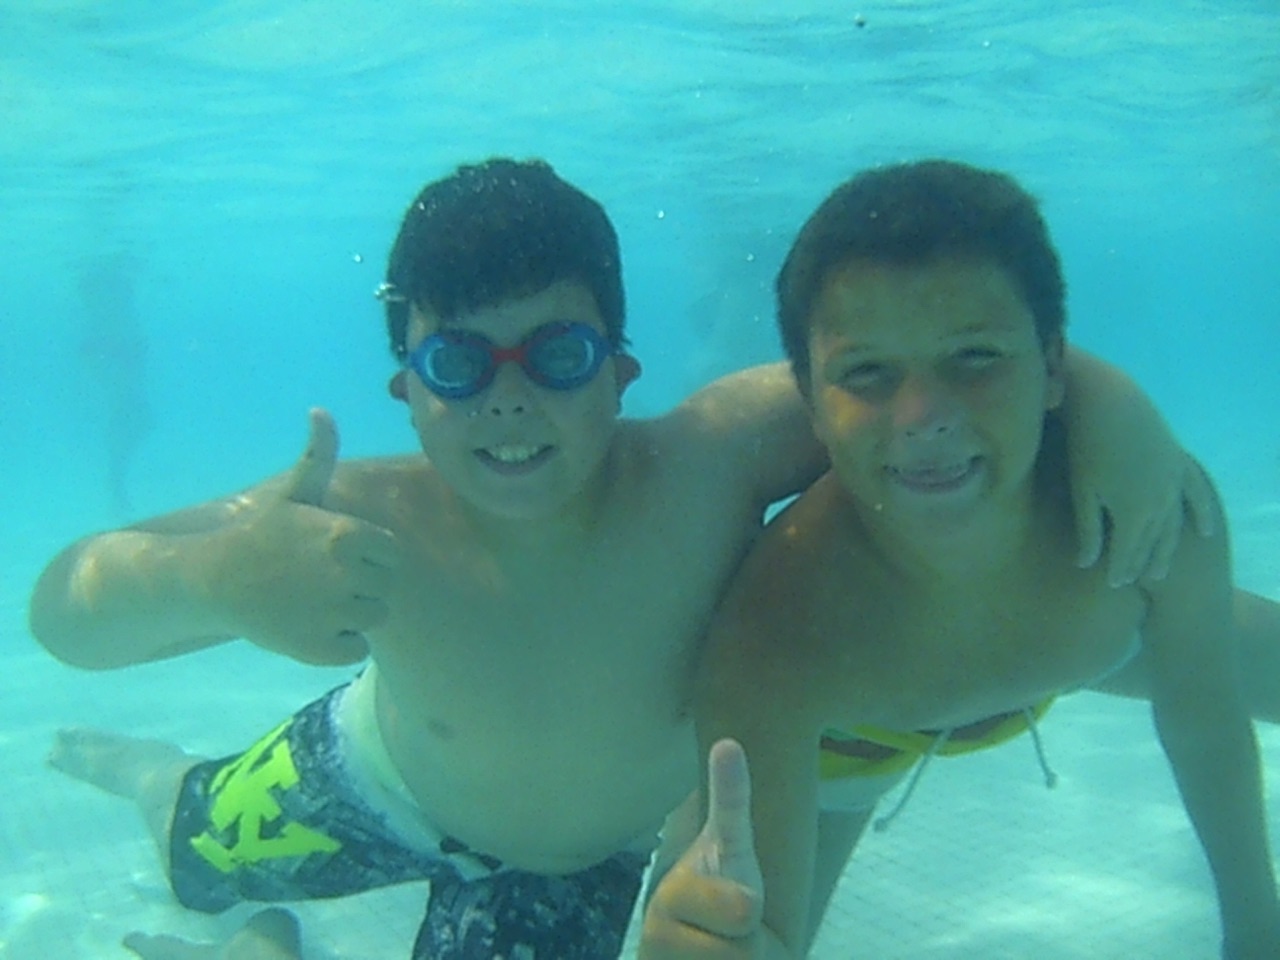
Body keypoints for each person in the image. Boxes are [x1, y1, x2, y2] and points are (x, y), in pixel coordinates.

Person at [29, 158, 1203, 960]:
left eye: (555, 355)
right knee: (191, 848)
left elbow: (909, 372)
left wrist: (1112, 405)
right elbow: (63, 604)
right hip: (372, 781)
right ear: (405, 387)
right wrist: (213, 580)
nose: (506, 402)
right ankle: (154, 779)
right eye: (457, 366)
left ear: (620, 368)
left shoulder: (711, 457)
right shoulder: (355, 510)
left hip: (580, 867)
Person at [641, 160, 1280, 960]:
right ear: (809, 405)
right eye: (867, 373)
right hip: (852, 742)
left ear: (1055, 368)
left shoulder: (1147, 519)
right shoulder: (778, 637)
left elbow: (1206, 724)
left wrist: (1257, 932)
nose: (924, 417)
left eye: (975, 357)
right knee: (706, 931)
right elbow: (754, 928)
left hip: (1071, 643)